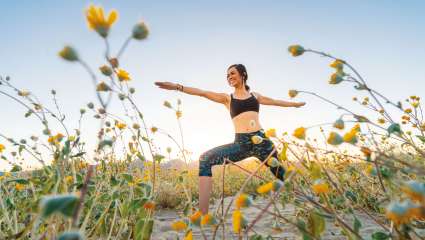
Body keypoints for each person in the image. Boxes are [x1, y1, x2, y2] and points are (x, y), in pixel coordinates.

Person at [154, 64, 306, 214]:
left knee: (282, 176)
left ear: (243, 74)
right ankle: (203, 213)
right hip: (242, 143)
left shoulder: (255, 96)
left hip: (262, 142)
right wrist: (177, 87)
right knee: (205, 159)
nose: (229, 77)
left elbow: (274, 101)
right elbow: (202, 93)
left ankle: (305, 204)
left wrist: (294, 104)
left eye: (232, 73)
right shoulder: (227, 98)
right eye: (227, 76)